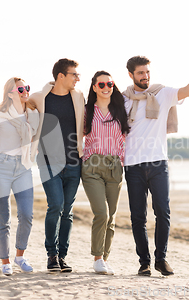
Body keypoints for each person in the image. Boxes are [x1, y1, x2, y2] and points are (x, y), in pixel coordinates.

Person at [122, 56, 189, 276]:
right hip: (132, 165)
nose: (145, 76)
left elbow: (187, 90)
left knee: (163, 212)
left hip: (158, 163)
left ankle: (161, 259)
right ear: (131, 74)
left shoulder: (162, 93)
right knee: (138, 216)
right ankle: (144, 262)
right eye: (140, 73)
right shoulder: (122, 99)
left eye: (147, 72)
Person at [29, 58, 85, 272]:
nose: (78, 79)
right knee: (56, 206)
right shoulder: (40, 97)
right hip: (48, 161)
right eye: (74, 74)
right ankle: (51, 254)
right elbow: (21, 106)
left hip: (73, 161)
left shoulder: (78, 96)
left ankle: (62, 256)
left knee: (68, 211)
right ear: (61, 76)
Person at [0, 77, 40, 276]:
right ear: (10, 93)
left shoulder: (32, 114)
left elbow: (35, 138)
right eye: (20, 88)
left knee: (27, 215)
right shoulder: (0, 114)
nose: (25, 91)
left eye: (27, 87)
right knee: (3, 219)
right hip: (1, 166)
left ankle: (20, 256)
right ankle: (5, 261)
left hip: (23, 167)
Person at [81, 71, 130, 275]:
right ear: (94, 87)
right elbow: (76, 135)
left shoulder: (120, 110)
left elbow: (125, 139)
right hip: (92, 166)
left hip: (115, 167)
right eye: (101, 84)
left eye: (109, 83)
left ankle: (104, 259)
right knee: (101, 212)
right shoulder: (85, 111)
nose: (106, 87)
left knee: (111, 217)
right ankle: (97, 258)